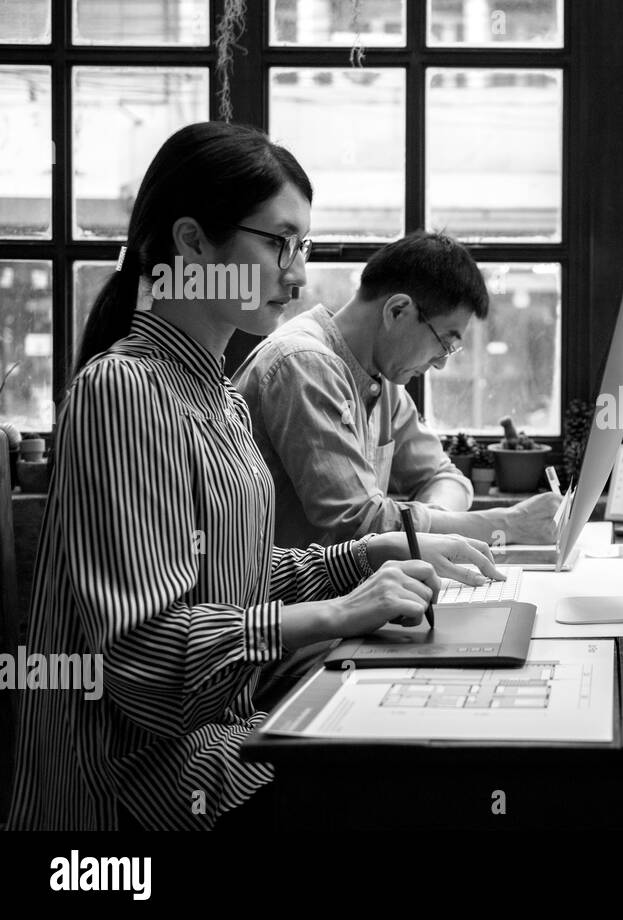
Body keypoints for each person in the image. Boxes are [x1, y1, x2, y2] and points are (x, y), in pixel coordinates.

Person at [8, 122, 502, 831]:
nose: (297, 275)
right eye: (278, 243)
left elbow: (232, 575)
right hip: (135, 790)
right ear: (192, 243)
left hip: (216, 738)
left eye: (301, 248)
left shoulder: (217, 397)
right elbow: (147, 664)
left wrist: (364, 558)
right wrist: (339, 613)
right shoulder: (122, 390)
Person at [232, 231, 561, 549]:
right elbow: (358, 522)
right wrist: (506, 525)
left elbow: (445, 477)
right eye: (445, 342)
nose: (441, 363)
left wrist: (435, 525)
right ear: (397, 311)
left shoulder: (381, 381)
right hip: (285, 600)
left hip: (345, 596)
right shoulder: (303, 364)